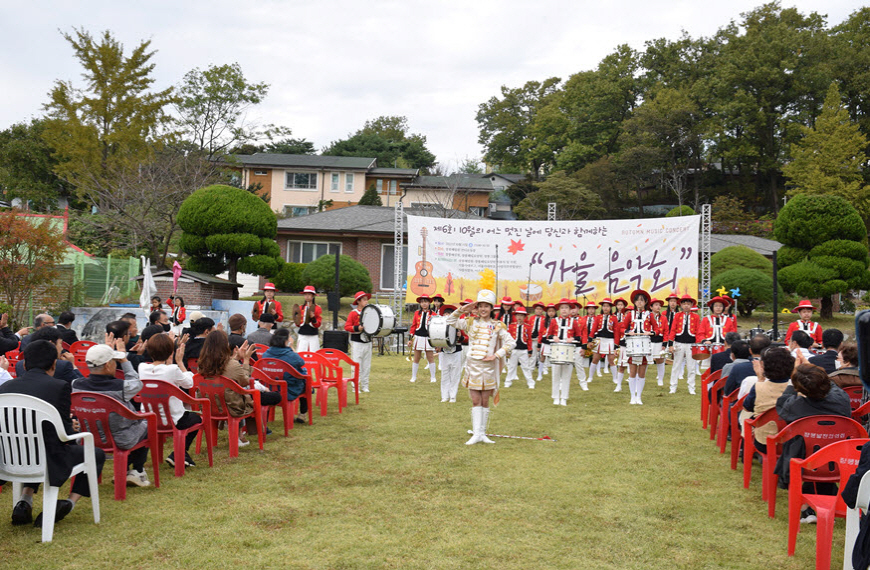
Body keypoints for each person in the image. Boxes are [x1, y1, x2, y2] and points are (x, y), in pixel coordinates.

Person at [0, 340, 106, 528]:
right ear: (54, 365)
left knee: (38, 440)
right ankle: (69, 502)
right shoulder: (59, 387)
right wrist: (70, 427)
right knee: (95, 453)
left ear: (24, 365)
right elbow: (63, 434)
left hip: (10, 460)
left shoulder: (5, 389)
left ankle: (25, 500)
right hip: (47, 460)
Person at [775, 360, 852, 521]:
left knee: (794, 443)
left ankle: (806, 507)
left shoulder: (795, 406)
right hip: (838, 461)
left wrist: (794, 380)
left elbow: (782, 404)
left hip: (805, 463)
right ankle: (813, 503)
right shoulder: (842, 400)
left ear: (800, 390)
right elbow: (831, 387)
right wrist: (813, 374)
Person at [72, 342, 151, 487]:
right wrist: (125, 361)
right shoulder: (121, 387)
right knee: (147, 423)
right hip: (120, 438)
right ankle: (137, 470)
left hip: (87, 437)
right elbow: (136, 383)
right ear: (108, 365)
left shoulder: (76, 385)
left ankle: (127, 470)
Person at [446, 290, 514, 445]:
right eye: (480, 306)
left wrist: (496, 355)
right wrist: (465, 308)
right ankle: (476, 434)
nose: (483, 309)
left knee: (484, 400)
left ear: (491, 309)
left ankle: (482, 433)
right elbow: (450, 321)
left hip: (488, 367)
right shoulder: (470, 322)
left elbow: (511, 342)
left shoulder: (497, 326)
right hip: (473, 367)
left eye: (486, 306)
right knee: (475, 399)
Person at [197, 330, 281, 445]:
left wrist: (235, 359)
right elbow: (245, 381)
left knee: (239, 394)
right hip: (231, 407)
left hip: (209, 406)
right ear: (224, 346)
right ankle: (244, 434)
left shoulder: (202, 364)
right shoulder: (231, 365)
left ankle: (240, 435)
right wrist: (246, 360)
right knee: (247, 396)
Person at [137, 333, 200, 468]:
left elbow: (164, 372)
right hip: (173, 421)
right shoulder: (172, 369)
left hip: (150, 418)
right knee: (197, 418)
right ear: (170, 352)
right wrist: (181, 363)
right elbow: (189, 383)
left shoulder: (142, 367)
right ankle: (179, 453)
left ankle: (180, 455)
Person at [743, 346, 795, 454]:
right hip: (792, 442)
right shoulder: (797, 388)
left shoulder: (758, 387)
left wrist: (760, 379)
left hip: (765, 441)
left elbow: (747, 407)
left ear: (763, 366)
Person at [262, 328, 309, 424]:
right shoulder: (291, 355)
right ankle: (303, 413)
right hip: (289, 389)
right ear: (286, 340)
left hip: (270, 387)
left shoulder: (266, 353)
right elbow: (301, 362)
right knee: (306, 382)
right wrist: (291, 347)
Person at [13, 326, 83, 384]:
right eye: (60, 344)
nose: (62, 348)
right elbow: (81, 386)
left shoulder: (19, 365)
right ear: (51, 344)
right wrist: (73, 365)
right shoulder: (63, 365)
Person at [622, 289, 656, 405]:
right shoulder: (630, 314)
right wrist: (628, 331)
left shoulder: (650, 315)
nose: (640, 303)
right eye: (637, 301)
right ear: (634, 302)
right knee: (632, 371)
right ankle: (632, 396)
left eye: (642, 300)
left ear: (646, 302)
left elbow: (657, 329)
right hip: (632, 345)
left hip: (644, 345)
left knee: (642, 372)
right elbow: (622, 328)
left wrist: (650, 332)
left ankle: (639, 396)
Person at [545, 299, 582, 405]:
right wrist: (554, 337)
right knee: (555, 374)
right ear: (559, 310)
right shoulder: (554, 321)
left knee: (566, 375)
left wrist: (572, 339)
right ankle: (556, 397)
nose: (564, 310)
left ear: (570, 310)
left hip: (568, 351)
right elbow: (548, 336)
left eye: (566, 308)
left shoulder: (574, 322)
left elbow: (579, 337)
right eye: (562, 308)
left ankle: (564, 397)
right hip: (556, 350)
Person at [667, 295, 700, 394]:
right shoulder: (677, 315)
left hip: (691, 344)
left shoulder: (696, 316)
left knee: (691, 367)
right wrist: (671, 344)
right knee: (676, 365)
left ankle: (691, 387)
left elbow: (698, 331)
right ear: (681, 305)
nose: (686, 306)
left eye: (688, 304)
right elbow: (672, 330)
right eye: (684, 304)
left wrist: (697, 344)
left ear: (691, 305)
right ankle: (673, 387)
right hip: (679, 342)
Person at [344, 291, 372, 393]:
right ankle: (355, 386)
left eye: (366, 299)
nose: (366, 301)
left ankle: (365, 385)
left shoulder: (370, 313)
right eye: (364, 299)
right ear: (358, 301)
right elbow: (347, 327)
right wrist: (357, 328)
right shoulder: (353, 313)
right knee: (357, 365)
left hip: (367, 341)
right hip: (357, 342)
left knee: (366, 366)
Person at [408, 295, 437, 383]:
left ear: (429, 303)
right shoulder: (417, 313)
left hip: (428, 337)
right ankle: (413, 377)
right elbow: (413, 326)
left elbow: (435, 328)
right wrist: (410, 339)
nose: (424, 304)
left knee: (430, 357)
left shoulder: (434, 314)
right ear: (420, 304)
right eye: (422, 302)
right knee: (416, 357)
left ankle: (433, 377)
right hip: (418, 337)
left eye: (426, 302)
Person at [591, 298, 620, 384]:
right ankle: (590, 377)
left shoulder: (614, 318)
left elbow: (616, 332)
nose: (606, 308)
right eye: (604, 306)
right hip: (599, 339)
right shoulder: (598, 317)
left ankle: (615, 378)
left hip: (610, 340)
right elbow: (594, 329)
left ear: (611, 308)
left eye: (607, 306)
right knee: (595, 358)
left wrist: (616, 344)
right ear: (602, 307)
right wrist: (590, 338)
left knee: (611, 360)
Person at [506, 305, 535, 389]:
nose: (519, 317)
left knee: (526, 367)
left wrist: (530, 350)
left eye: (521, 315)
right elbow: (509, 338)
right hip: (514, 349)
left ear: (524, 317)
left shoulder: (528, 327)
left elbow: (529, 339)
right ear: (515, 316)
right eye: (518, 315)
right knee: (511, 366)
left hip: (523, 350)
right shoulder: (511, 326)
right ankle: (508, 381)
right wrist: (508, 349)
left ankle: (530, 382)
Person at [438, 305, 463, 402]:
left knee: (455, 375)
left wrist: (459, 336)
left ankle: (453, 395)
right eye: (445, 315)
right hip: (444, 353)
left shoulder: (457, 325)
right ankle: (444, 396)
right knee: (445, 374)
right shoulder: (440, 327)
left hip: (456, 352)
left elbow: (463, 339)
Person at [295, 285, 322, 352]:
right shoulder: (300, 308)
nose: (307, 296)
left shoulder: (317, 308)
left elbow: (318, 324)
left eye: (309, 294)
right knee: (301, 352)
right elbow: (298, 323)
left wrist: (313, 318)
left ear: (313, 296)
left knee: (313, 353)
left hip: (313, 334)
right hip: (302, 333)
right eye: (305, 294)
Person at [577, 301, 598, 384]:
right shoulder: (584, 318)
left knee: (596, 355)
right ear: (587, 310)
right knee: (583, 354)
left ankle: (597, 370)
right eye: (589, 309)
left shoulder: (597, 318)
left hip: (594, 338)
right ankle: (583, 368)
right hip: (585, 338)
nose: (591, 310)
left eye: (593, 309)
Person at [648, 299, 668, 387]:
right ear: (651, 307)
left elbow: (666, 331)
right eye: (656, 305)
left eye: (659, 305)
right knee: (645, 360)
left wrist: (664, 344)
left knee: (660, 360)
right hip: (649, 341)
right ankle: (640, 377)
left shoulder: (663, 318)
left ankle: (660, 379)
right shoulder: (647, 317)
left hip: (659, 341)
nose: (658, 307)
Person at [527, 302, 547, 382]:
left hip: (540, 339)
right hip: (532, 339)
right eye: (537, 309)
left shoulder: (544, 318)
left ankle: (544, 368)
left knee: (542, 354)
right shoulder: (531, 318)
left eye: (540, 309)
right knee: (533, 355)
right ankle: (531, 369)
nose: (538, 311)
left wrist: (541, 337)